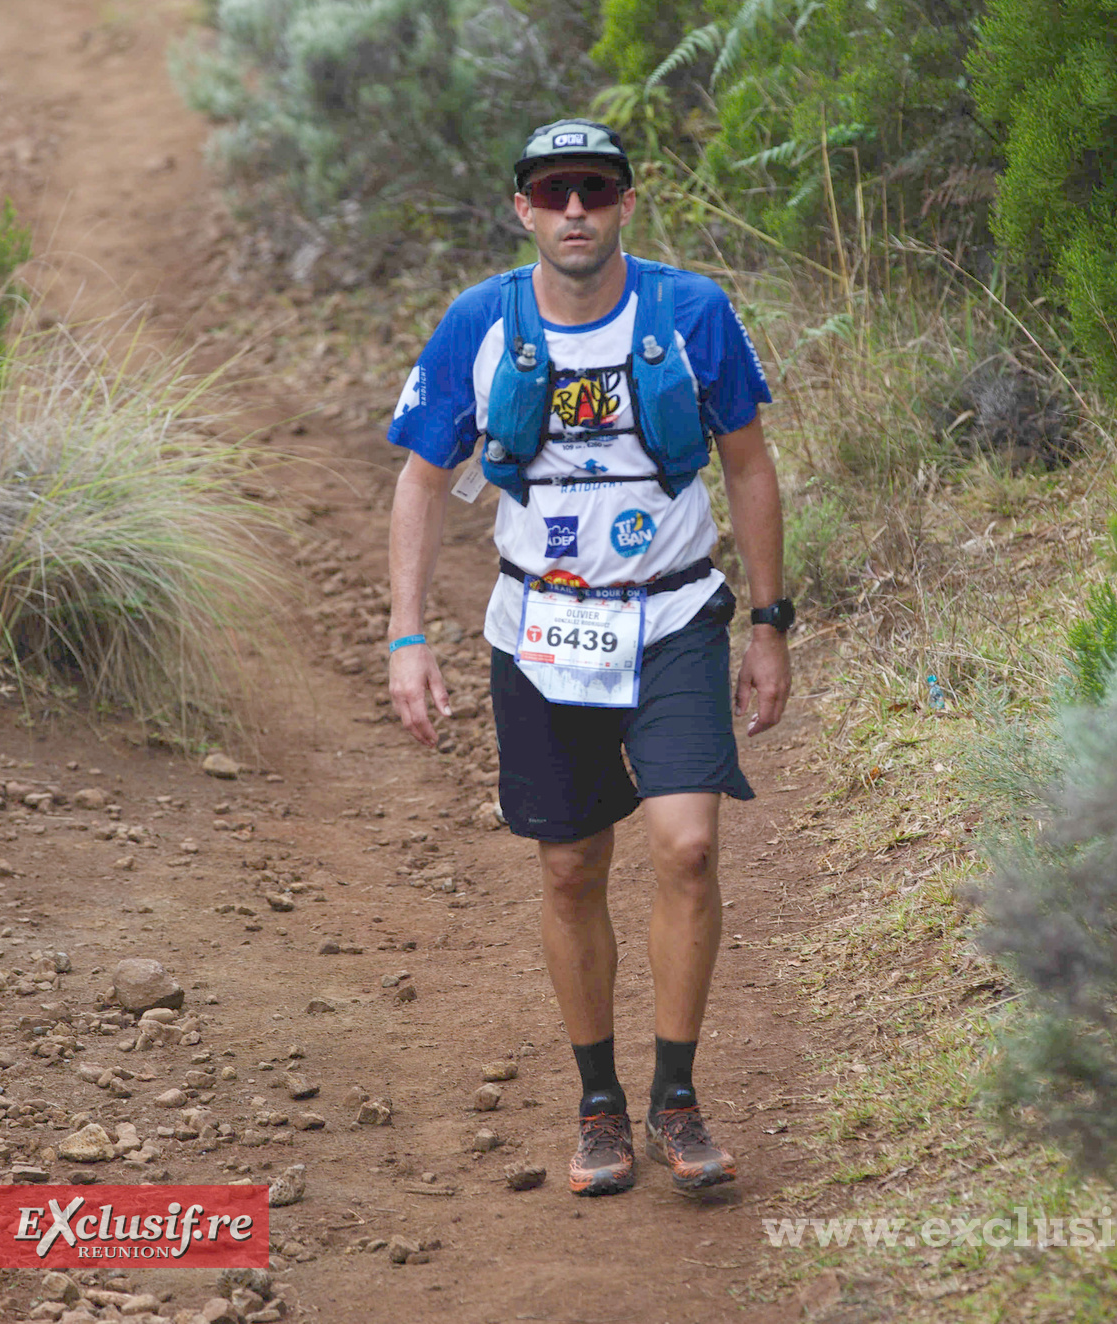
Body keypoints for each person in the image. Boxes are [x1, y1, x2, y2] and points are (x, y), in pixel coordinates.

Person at [386, 118, 793, 1197]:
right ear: (522, 207)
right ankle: (598, 1104)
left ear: (624, 202)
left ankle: (676, 1095)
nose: (576, 210)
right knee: (570, 867)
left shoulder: (690, 311)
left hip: (673, 615)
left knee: (688, 847)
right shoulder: (480, 322)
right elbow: (423, 479)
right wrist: (407, 635)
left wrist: (768, 622)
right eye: (555, 191)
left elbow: (748, 467)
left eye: (596, 190)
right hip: (541, 629)